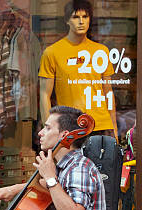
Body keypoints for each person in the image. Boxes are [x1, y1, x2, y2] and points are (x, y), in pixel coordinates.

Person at [38, 0, 118, 139]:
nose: (81, 21)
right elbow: (45, 95)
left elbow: (108, 92)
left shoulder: (101, 51)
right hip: (70, 127)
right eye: (75, 17)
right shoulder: (52, 52)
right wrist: (50, 130)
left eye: (85, 17)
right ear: (67, 20)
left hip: (101, 125)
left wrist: (114, 128)